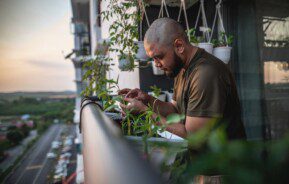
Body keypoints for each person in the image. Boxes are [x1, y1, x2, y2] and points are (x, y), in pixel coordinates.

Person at [119, 18, 246, 140]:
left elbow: (193, 137)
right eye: (153, 59)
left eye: (159, 57)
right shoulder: (181, 67)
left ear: (179, 46)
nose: (156, 64)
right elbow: (175, 111)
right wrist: (148, 100)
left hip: (222, 161)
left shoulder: (205, 73)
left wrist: (145, 112)